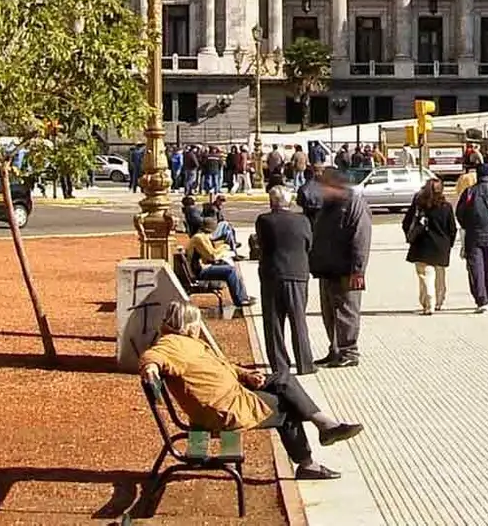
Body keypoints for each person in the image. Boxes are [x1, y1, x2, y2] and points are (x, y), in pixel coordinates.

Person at [138, 301, 362, 483]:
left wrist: (246, 375)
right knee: (287, 405)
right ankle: (311, 457)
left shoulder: (185, 342)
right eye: (197, 323)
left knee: (283, 380)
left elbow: (221, 366)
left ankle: (324, 427)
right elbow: (153, 355)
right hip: (226, 409)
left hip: (229, 396)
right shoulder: (172, 344)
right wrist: (150, 369)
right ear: (187, 325)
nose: (198, 328)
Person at [310, 167, 371, 366]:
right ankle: (335, 348)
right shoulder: (328, 205)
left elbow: (361, 238)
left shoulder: (354, 204)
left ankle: (349, 352)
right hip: (327, 269)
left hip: (347, 269)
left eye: (325, 186)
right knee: (329, 312)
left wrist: (358, 270)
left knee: (346, 311)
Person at [254, 184, 315, 376]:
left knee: (273, 322)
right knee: (298, 320)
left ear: (271, 201)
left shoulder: (264, 220)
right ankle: (305, 363)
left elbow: (262, 244)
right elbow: (308, 244)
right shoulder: (303, 220)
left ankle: (280, 366)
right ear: (290, 201)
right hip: (297, 273)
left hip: (273, 274)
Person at [454, 158, 488, 312]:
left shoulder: (469, 192)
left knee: (476, 268)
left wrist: (467, 225)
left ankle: (481, 299)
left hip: (474, 236)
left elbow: (460, 213)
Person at [401, 176, 457, 314]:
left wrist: (410, 236)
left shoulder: (420, 206)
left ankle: (429, 301)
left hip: (422, 246)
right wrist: (449, 244)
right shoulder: (446, 207)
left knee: (425, 275)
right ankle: (439, 300)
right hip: (441, 246)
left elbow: (406, 223)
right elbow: (452, 228)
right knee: (440, 275)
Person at [188, 212, 251, 308]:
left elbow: (210, 253)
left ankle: (244, 296)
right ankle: (239, 300)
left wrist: (221, 249)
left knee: (233, 269)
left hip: (204, 266)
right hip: (200, 271)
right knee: (230, 271)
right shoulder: (199, 238)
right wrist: (224, 248)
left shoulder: (202, 237)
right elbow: (212, 256)